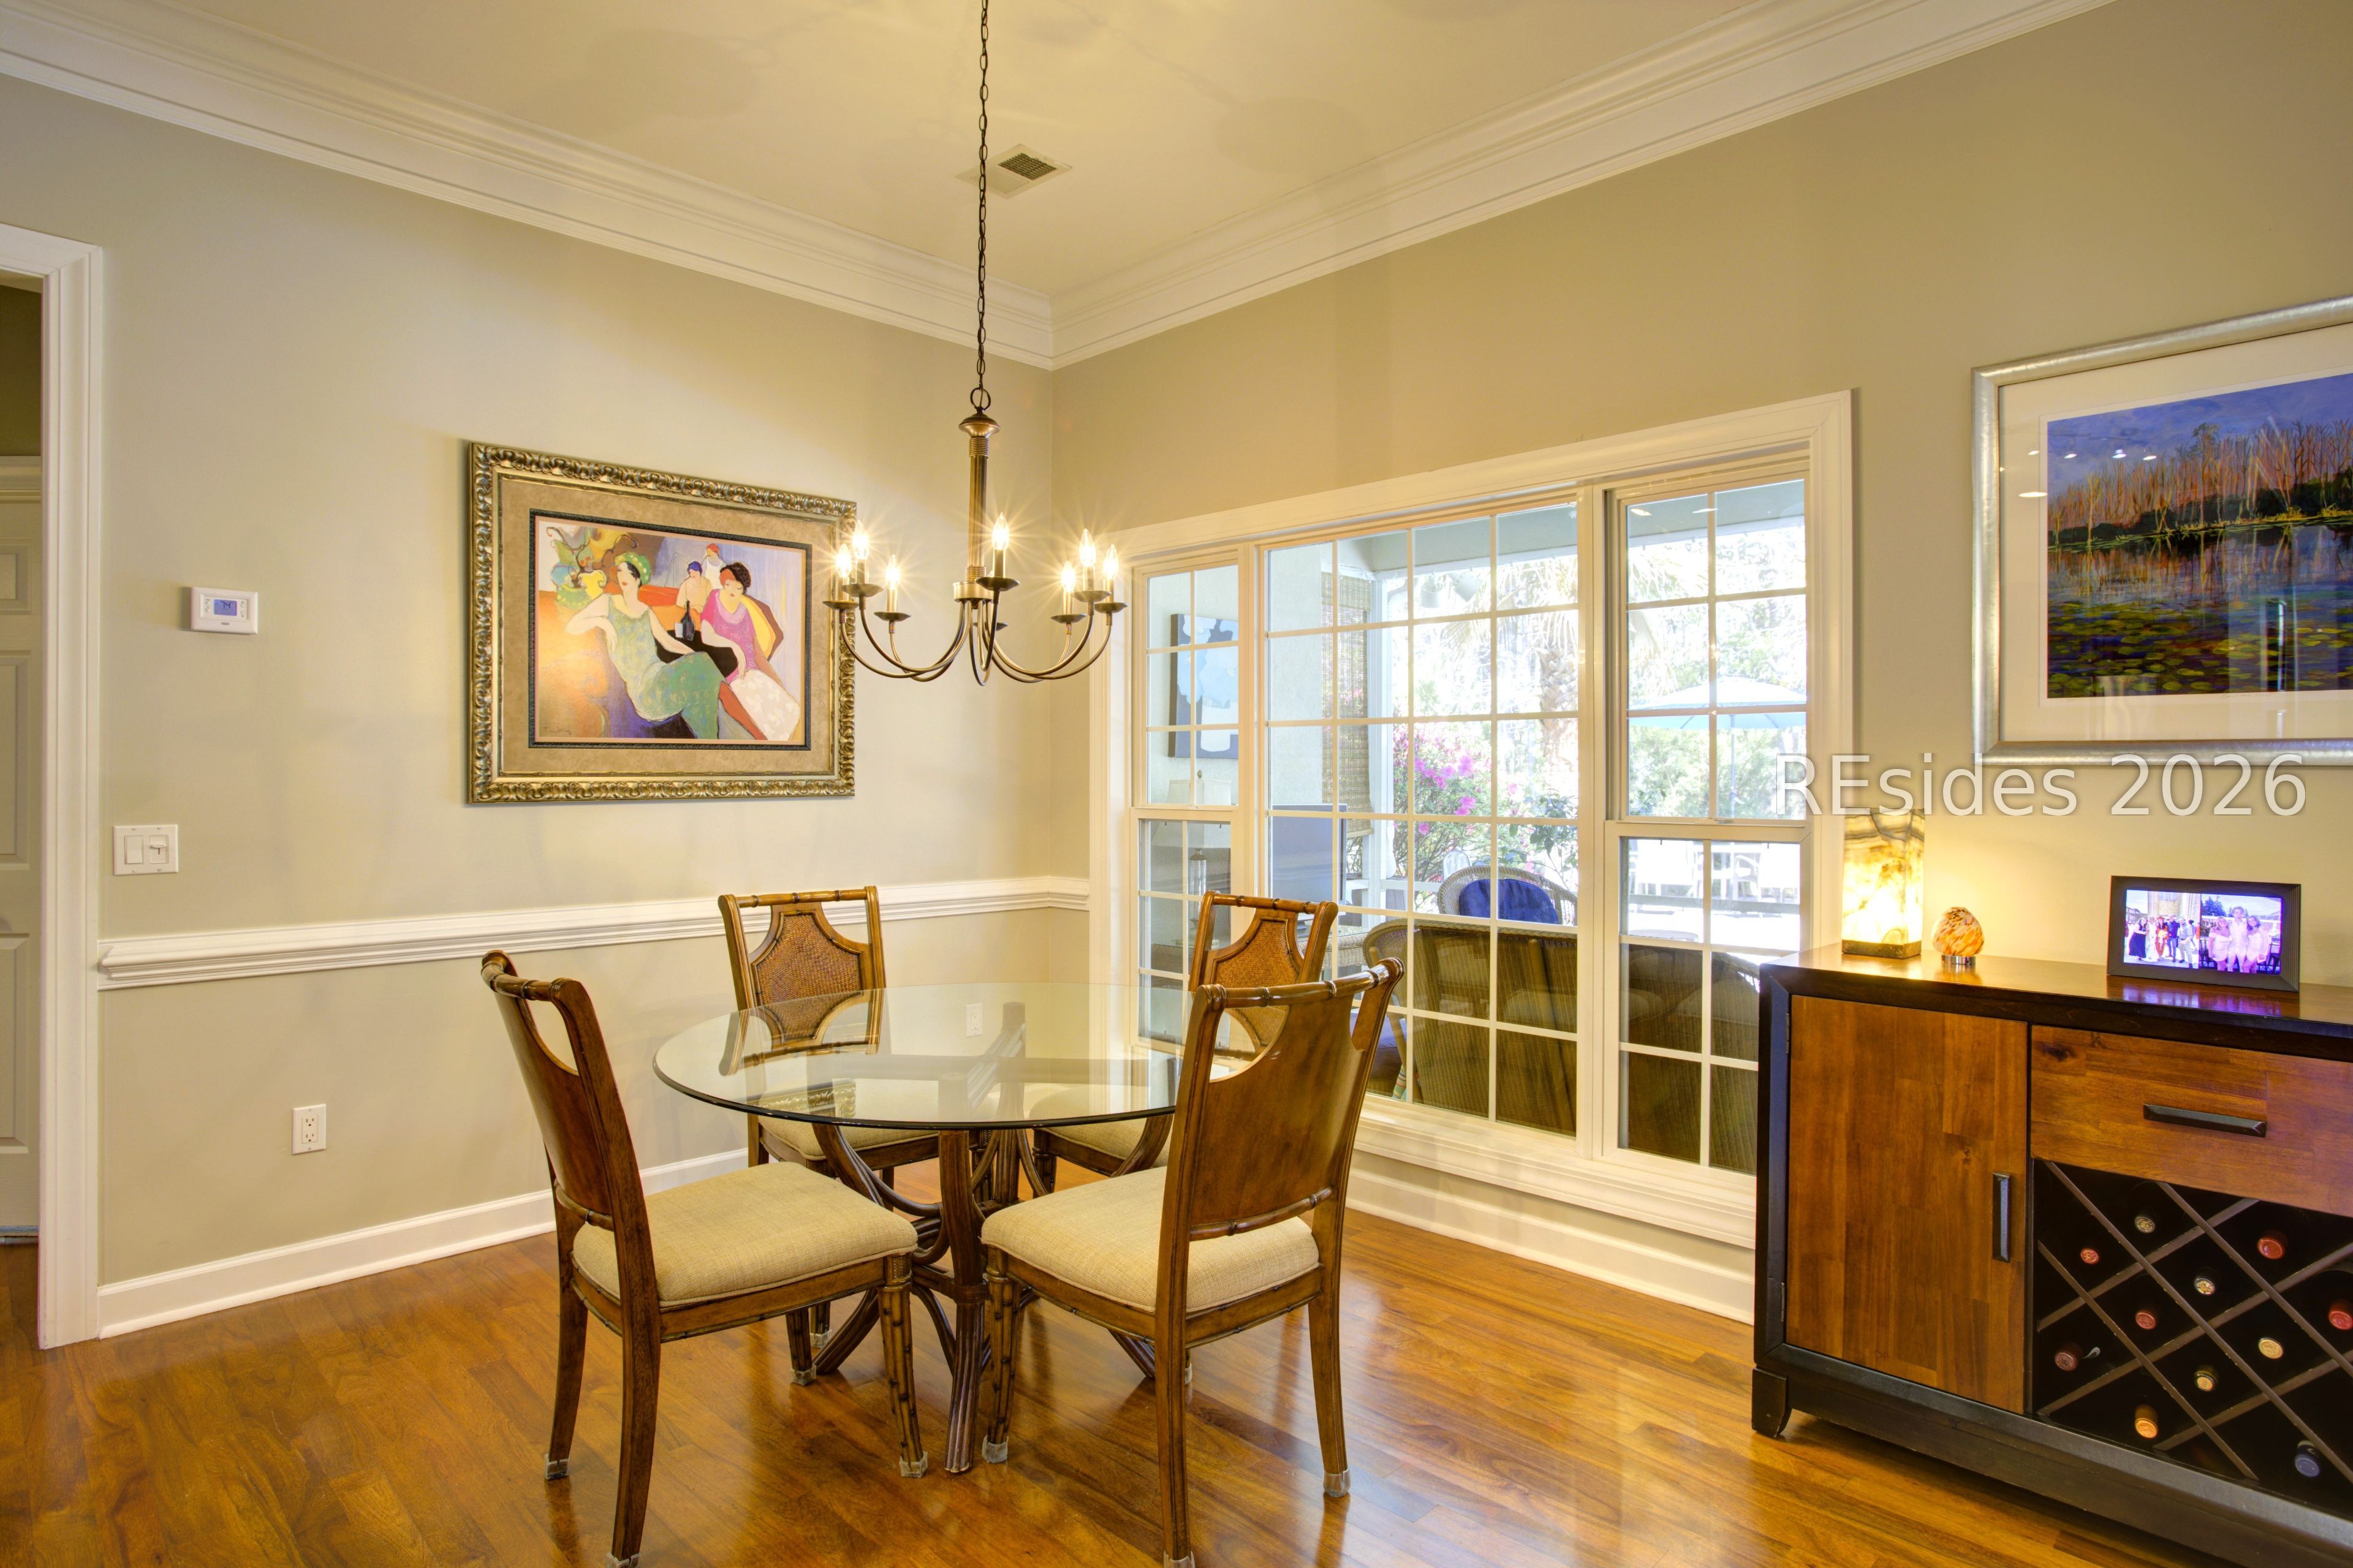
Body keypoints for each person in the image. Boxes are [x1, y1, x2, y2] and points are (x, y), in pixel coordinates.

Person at [565, 553, 722, 738]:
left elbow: (667, 641)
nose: (623, 577)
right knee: (703, 675)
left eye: (630, 573)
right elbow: (571, 626)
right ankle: (709, 739)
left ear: (638, 579)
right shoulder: (608, 602)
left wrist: (694, 657)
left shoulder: (646, 611)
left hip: (661, 676)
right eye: (620, 571)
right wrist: (602, 621)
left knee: (703, 673)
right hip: (645, 694)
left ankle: (708, 740)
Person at [697, 561, 800, 742]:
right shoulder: (714, 598)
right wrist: (734, 647)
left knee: (787, 707)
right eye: (728, 584)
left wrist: (779, 686)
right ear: (722, 583)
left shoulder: (744, 613)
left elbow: (758, 655)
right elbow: (706, 636)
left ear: (743, 591)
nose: (732, 590)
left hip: (752, 674)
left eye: (738, 588)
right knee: (759, 716)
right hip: (731, 675)